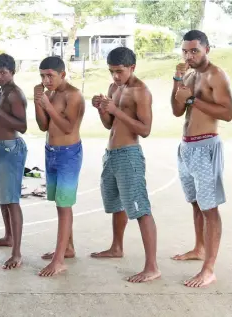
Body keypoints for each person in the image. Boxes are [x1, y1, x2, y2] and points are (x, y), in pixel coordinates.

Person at [170, 30, 232, 288]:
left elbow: (228, 113)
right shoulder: (187, 73)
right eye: (185, 50)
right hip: (186, 147)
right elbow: (176, 110)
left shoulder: (216, 75)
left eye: (194, 50)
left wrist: (193, 99)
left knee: (210, 209)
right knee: (196, 203)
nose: (189, 55)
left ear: (208, 48)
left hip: (206, 146)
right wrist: (176, 81)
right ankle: (199, 248)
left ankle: (209, 269)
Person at [90, 47, 160, 283]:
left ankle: (152, 266)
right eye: (111, 72)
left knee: (140, 208)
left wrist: (115, 110)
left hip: (130, 153)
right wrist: (102, 109)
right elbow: (109, 124)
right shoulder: (114, 88)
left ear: (132, 68)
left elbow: (145, 130)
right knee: (116, 204)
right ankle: (116, 247)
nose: (115, 77)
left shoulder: (141, 91)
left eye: (119, 71)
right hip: (111, 154)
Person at [34, 56, 85, 277]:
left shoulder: (73, 95)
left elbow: (66, 127)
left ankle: (59, 259)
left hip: (68, 153)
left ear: (62, 74)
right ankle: (68, 247)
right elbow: (44, 125)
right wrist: (38, 103)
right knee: (59, 203)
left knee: (64, 206)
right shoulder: (49, 95)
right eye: (42, 76)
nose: (46, 80)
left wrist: (47, 105)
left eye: (50, 76)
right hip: (51, 151)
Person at [0, 53, 28, 270]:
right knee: (3, 198)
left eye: (3, 72)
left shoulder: (15, 95)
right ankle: (8, 236)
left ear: (12, 72)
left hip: (11, 149)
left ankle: (17, 253)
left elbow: (23, 126)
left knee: (12, 200)